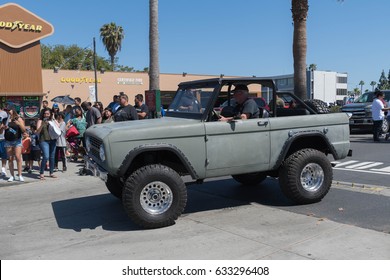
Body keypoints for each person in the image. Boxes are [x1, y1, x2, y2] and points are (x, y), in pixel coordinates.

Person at [1, 106, 26, 182]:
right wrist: (2, 127)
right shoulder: (5, 120)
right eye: (7, 110)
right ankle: (12, 175)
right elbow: (1, 132)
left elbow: (24, 130)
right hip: (8, 140)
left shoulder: (18, 118)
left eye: (9, 110)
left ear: (13, 110)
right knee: (10, 159)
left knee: (18, 157)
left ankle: (20, 175)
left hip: (17, 140)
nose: (8, 111)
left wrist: (19, 124)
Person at [36, 108, 59, 180]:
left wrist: (53, 119)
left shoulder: (52, 120)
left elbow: (58, 127)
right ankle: (41, 172)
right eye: (45, 114)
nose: (46, 115)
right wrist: (43, 124)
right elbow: (37, 131)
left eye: (48, 114)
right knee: (46, 156)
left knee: (52, 157)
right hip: (44, 140)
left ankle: (51, 172)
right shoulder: (40, 120)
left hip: (53, 140)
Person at [0, 107, 8, 177]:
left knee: (3, 155)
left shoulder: (4, 113)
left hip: (2, 138)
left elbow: (6, 124)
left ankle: (3, 169)